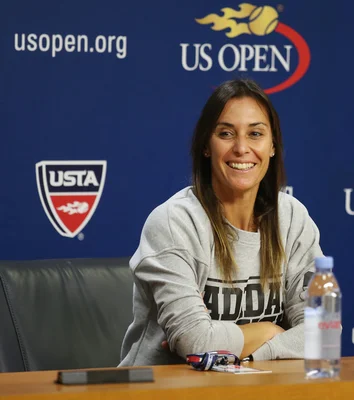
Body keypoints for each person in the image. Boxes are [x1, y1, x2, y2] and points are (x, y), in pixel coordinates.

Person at [119, 79, 323, 366]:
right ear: (206, 146)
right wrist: (272, 330)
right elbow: (195, 342)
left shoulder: (292, 219)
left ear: (273, 146)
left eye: (255, 134)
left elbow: (322, 332)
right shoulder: (174, 223)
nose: (241, 148)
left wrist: (253, 353)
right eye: (226, 134)